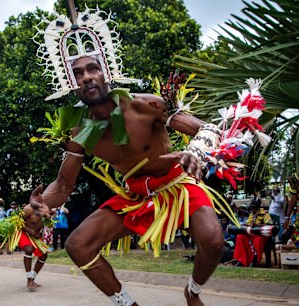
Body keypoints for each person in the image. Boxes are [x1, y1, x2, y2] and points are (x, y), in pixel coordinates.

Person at [28, 7, 238, 306]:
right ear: (69, 84)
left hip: (177, 186)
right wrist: (40, 204)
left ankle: (192, 291)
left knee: (214, 241)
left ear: (107, 71)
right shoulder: (79, 131)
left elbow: (205, 129)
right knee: (78, 245)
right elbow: (63, 185)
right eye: (77, 73)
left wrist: (195, 151)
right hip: (136, 196)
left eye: (92, 68)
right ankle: (128, 304)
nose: (86, 77)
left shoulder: (143, 106)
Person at [19, 204, 50, 291]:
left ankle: (32, 279)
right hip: (24, 233)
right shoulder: (28, 209)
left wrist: (39, 232)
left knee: (44, 255)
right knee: (29, 249)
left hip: (36, 234)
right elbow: (17, 221)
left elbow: (45, 222)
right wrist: (29, 230)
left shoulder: (45, 208)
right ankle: (29, 280)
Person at [232, 201, 273, 267]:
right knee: (240, 237)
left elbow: (269, 225)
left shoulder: (265, 214)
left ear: (258, 208)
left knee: (258, 239)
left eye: (254, 208)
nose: (253, 210)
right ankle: (242, 260)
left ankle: (255, 260)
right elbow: (248, 224)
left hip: (261, 235)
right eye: (251, 208)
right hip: (251, 234)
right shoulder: (251, 215)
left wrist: (257, 225)